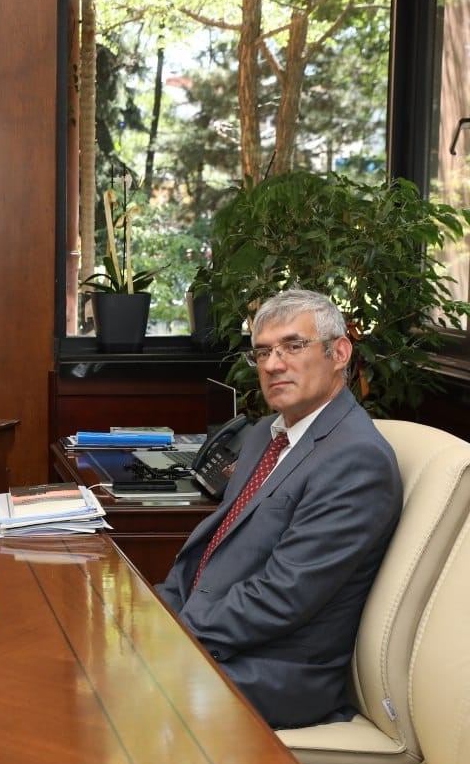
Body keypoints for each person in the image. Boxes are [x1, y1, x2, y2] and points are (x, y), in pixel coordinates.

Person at [156, 289, 403, 729]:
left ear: (339, 352)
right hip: (220, 637)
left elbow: (284, 595)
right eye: (263, 352)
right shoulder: (265, 437)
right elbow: (215, 550)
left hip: (273, 673)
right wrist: (151, 616)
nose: (272, 364)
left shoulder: (355, 459)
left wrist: (174, 636)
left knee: (102, 691)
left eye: (293, 346)